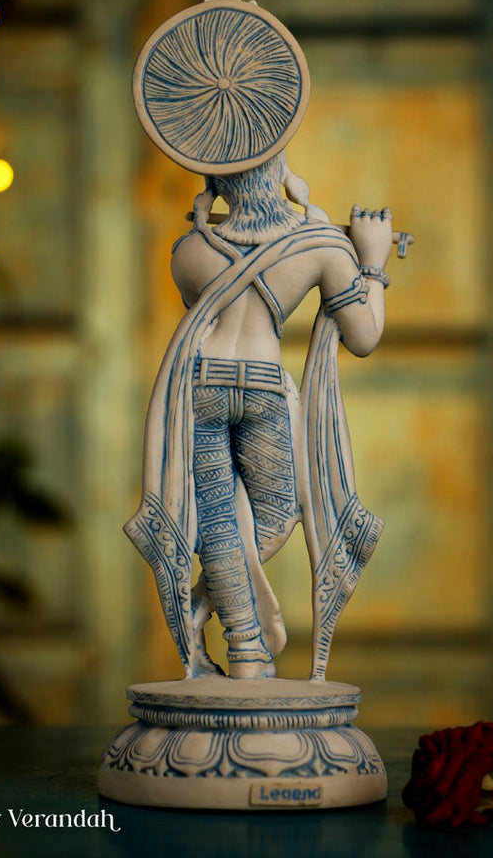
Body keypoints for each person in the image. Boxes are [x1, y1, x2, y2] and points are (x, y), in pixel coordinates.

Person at [125, 151, 393, 680]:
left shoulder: (189, 250)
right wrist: (373, 262)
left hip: (201, 385)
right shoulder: (321, 246)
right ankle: (245, 652)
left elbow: (198, 306)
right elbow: (364, 336)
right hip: (263, 385)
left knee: (218, 520)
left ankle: (218, 621)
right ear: (284, 173)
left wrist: (206, 217)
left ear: (215, 181)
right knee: (278, 512)